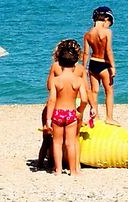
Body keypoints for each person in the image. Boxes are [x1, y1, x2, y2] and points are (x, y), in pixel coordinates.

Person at [38, 39, 92, 171]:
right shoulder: (80, 72)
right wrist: (87, 109)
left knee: (52, 140)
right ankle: (75, 168)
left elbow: (50, 90)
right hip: (73, 109)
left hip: (57, 108)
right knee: (73, 140)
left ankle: (49, 166)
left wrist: (49, 119)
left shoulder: (55, 69)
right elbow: (86, 92)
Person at [82, 6, 120, 126]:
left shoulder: (88, 34)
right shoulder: (107, 32)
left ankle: (95, 116)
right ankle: (109, 117)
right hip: (104, 63)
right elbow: (108, 50)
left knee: (94, 91)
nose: (109, 25)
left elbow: (86, 53)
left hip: (92, 64)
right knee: (109, 91)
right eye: (110, 22)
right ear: (106, 19)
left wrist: (83, 68)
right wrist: (113, 66)